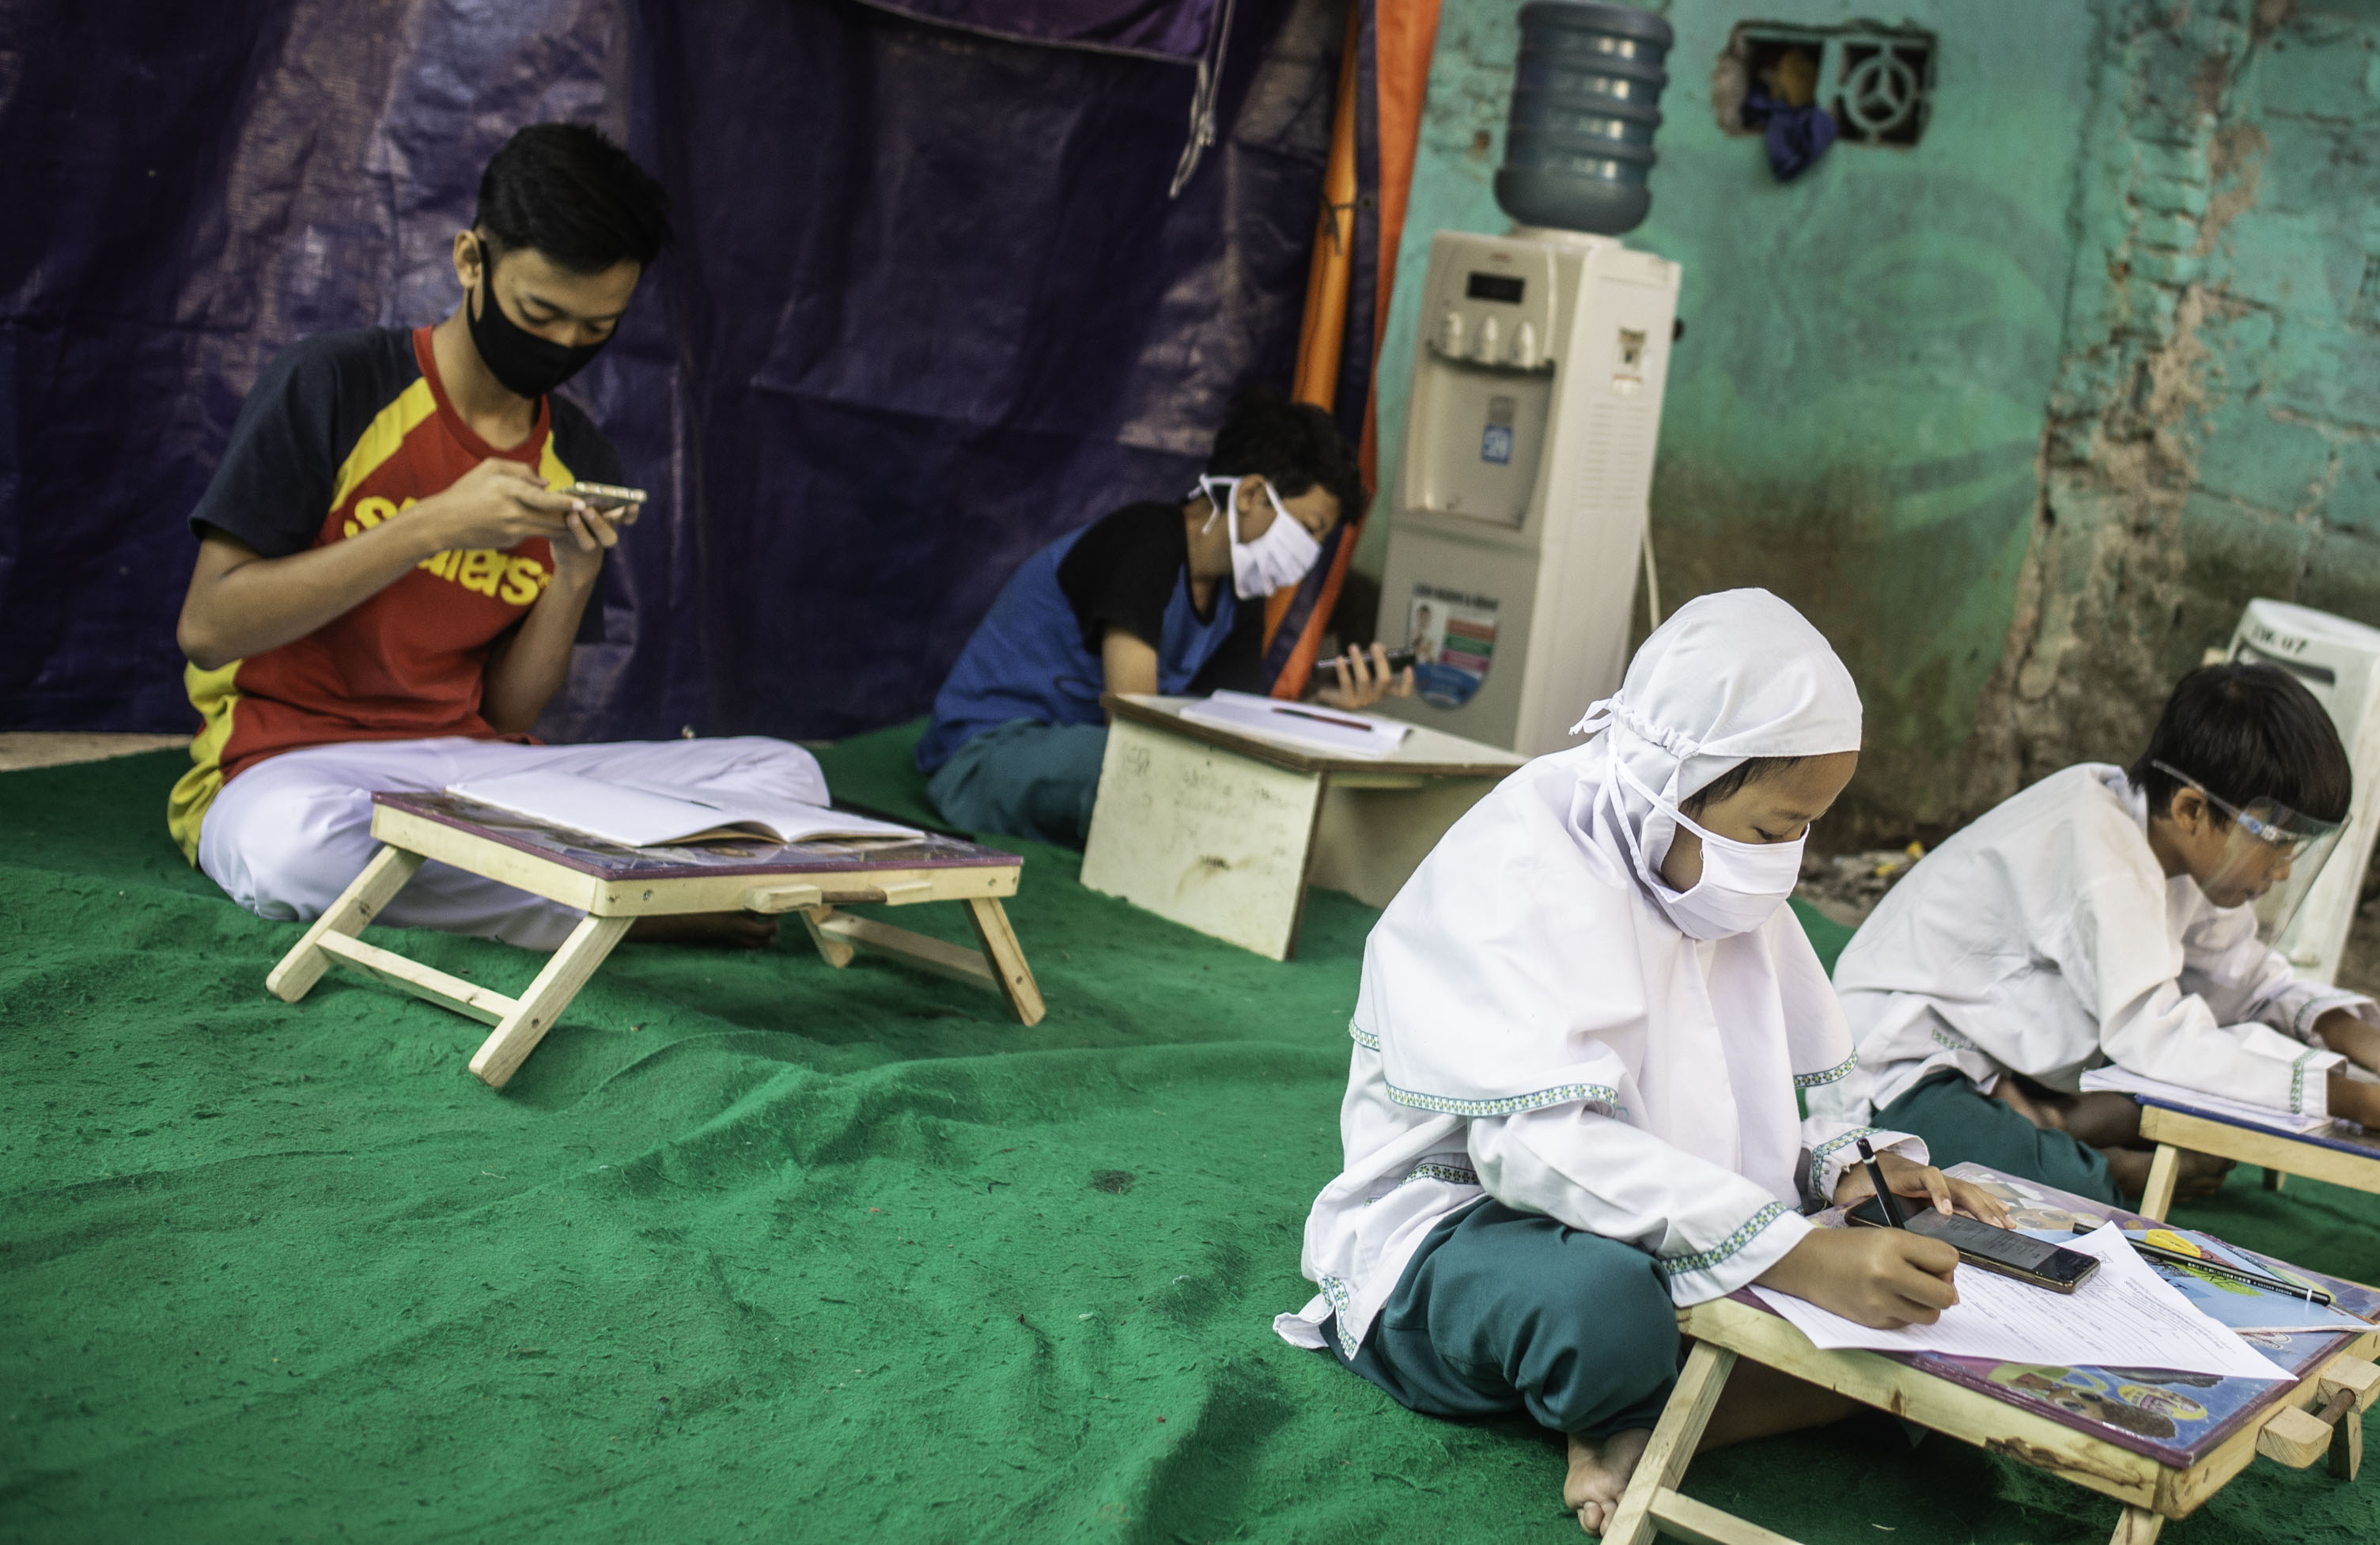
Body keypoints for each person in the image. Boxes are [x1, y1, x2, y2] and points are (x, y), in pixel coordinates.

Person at [1278, 590, 2008, 1537]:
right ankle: (1705, 1404)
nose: (1788, 862)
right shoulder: (1514, 870)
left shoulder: (1721, 879)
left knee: (1884, 1272)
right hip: (1466, 1220)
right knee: (1595, 1306)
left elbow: (1796, 1077)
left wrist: (1857, 1167)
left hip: (1672, 1214)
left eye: (1807, 828)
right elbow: (1529, 1155)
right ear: (1674, 776)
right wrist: (1795, 1257)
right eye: (1773, 828)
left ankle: (1647, 1419)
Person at [172, 122, 829, 950]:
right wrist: (434, 524)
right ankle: (641, 906)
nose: (563, 346)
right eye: (540, 314)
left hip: (478, 773)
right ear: (469, 261)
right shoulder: (337, 383)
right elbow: (208, 630)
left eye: (596, 330)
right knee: (293, 852)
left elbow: (509, 709)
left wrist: (574, 576)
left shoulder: (576, 449)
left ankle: (593, 893)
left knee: (786, 775)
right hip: (295, 765)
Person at [1833, 661, 2380, 1209]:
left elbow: (2251, 978)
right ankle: (2112, 1169)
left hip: (1999, 1057)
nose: (2283, 869)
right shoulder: (2104, 855)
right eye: (2274, 843)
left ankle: (2056, 1125)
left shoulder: (2176, 848)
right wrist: (2369, 1105)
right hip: (1900, 1068)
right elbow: (2156, 1039)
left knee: (2198, 1072)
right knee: (2077, 1194)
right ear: (2191, 809)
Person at [914, 391, 1394, 846]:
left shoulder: (1240, 591)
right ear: (1250, 494)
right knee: (1157, 768)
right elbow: (1133, 726)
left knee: (1216, 775)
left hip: (1084, 757)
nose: (1309, 554)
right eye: (1309, 530)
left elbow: (1235, 728)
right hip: (984, 758)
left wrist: (1321, 707)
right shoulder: (1142, 544)